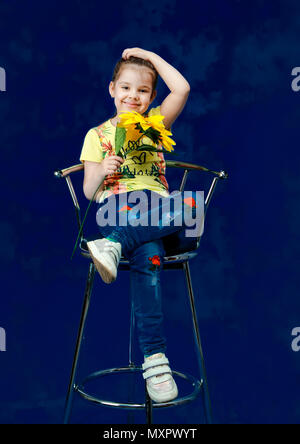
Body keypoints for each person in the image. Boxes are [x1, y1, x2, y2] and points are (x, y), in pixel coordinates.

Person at [79, 48, 201, 403]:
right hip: (116, 208)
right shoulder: (97, 134)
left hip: (159, 210)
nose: (133, 96)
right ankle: (156, 359)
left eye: (143, 91)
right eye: (126, 88)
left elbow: (182, 89)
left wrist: (149, 55)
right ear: (112, 89)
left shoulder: (156, 124)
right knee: (150, 253)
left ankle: (114, 245)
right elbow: (89, 192)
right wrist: (102, 170)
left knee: (192, 208)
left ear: (151, 97)